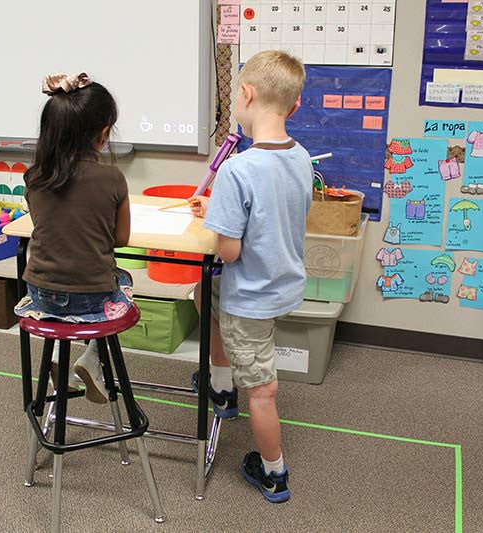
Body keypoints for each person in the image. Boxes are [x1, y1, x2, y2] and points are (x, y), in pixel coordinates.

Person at [190, 51, 312, 503]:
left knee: (263, 389)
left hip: (252, 294)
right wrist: (221, 211)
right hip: (283, 282)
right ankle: (222, 386)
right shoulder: (300, 156)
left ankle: (273, 471)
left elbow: (230, 249)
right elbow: (279, 211)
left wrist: (217, 222)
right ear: (294, 106)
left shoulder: (238, 169)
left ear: (245, 95)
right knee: (204, 290)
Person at [14, 72, 132, 404]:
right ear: (103, 134)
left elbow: (51, 230)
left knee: (67, 293)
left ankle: (58, 360)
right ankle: (90, 358)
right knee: (121, 280)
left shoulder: (34, 176)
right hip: (92, 299)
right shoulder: (113, 179)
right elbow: (120, 239)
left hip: (41, 296)